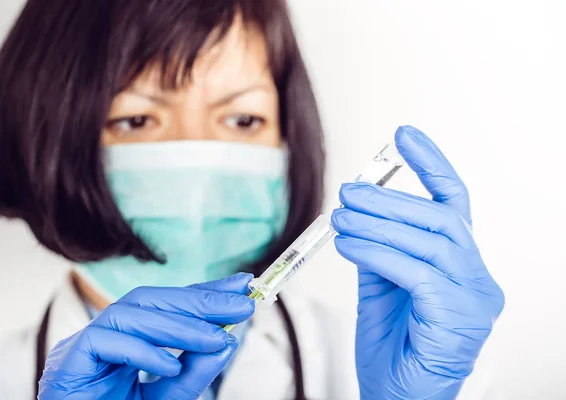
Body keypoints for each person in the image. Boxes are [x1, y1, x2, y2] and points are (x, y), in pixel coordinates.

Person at [0, 1, 504, 399]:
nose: (198, 161)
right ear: (43, 139)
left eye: (243, 119)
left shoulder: (383, 367)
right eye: (135, 119)